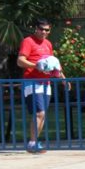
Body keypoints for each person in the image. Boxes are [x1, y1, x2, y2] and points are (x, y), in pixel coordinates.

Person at [17, 19, 66, 154]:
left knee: (42, 115)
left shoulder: (48, 44)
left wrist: (63, 78)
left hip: (46, 83)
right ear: (36, 29)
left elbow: (53, 62)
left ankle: (34, 143)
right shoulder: (28, 41)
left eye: (47, 30)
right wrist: (35, 65)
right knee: (40, 113)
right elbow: (20, 61)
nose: (44, 32)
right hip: (32, 82)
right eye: (41, 29)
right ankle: (32, 143)